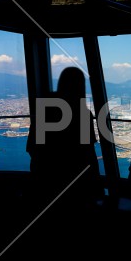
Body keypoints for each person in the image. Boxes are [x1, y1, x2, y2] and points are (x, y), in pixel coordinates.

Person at [26, 66, 103, 210]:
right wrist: (95, 182)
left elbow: (32, 147)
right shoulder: (83, 113)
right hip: (75, 181)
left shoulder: (45, 108)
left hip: (44, 178)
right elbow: (88, 153)